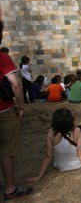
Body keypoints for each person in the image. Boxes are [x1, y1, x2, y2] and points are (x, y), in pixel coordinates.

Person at [0, 20, 33, 200]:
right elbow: (15, 84)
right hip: (3, 111)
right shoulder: (3, 58)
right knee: (7, 149)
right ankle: (10, 188)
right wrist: (21, 107)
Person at [26, 108, 81, 183]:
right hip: (77, 164)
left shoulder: (51, 132)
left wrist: (39, 176)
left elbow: (48, 156)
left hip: (60, 166)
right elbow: (80, 154)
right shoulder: (76, 130)